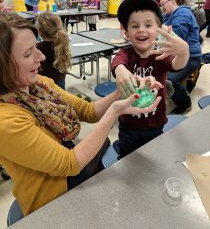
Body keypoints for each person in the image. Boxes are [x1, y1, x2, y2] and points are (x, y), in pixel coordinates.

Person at [0, 12, 161, 222]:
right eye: (28, 53)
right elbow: (70, 164)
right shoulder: (6, 121)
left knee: (103, 146)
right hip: (52, 201)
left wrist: (124, 91)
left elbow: (87, 111)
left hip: (70, 170)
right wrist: (114, 111)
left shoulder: (38, 84)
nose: (42, 57)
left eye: (36, 47)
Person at [111, 0, 189, 157]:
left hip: (155, 124)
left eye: (148, 25)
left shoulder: (160, 54)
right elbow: (117, 62)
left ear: (158, 30)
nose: (141, 29)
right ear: (126, 33)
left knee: (153, 158)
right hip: (128, 125)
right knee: (127, 158)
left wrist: (184, 51)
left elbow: (177, 64)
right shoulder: (125, 53)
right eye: (134, 26)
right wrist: (120, 70)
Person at [160, 0, 202, 114]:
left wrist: (156, 24)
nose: (162, 7)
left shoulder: (183, 13)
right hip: (175, 54)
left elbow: (177, 35)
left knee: (168, 80)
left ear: (173, 1)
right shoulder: (169, 15)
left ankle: (185, 103)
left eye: (164, 4)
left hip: (190, 57)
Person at [36, 12, 71, 90]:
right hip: (60, 81)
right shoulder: (62, 43)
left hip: (44, 85)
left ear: (39, 31)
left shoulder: (37, 48)